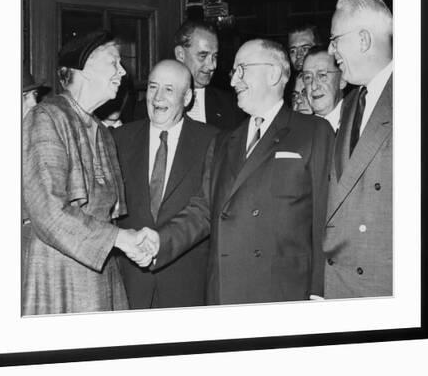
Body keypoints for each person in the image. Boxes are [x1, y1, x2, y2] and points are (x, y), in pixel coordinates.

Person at [142, 39, 335, 305]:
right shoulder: (223, 142)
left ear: (273, 73)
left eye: (242, 70)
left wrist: (319, 290)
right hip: (226, 292)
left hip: (284, 293)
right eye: (234, 73)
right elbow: (202, 211)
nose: (234, 82)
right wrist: (159, 242)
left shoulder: (313, 132)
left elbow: (325, 216)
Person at [21, 30, 153, 315]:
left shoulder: (102, 131)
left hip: (101, 269)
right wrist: (119, 239)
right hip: (57, 272)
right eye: (114, 63)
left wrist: (128, 241)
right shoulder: (45, 118)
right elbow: (48, 211)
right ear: (84, 69)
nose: (122, 72)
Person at [113, 60, 218, 308]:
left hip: (187, 286)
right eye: (152, 87)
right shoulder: (119, 139)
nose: (158, 97)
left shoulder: (213, 140)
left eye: (169, 89)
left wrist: (162, 241)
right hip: (130, 285)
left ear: (188, 96)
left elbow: (207, 211)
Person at [323, 0, 393, 299]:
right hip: (339, 283)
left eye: (335, 39)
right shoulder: (351, 103)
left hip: (383, 286)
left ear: (363, 40)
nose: (330, 49)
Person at [174, 20, 245, 129]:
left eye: (215, 56)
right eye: (203, 56)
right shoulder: (155, 104)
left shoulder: (231, 106)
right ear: (180, 54)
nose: (212, 65)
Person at [302, 46, 346, 132]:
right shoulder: (301, 131)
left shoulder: (359, 120)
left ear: (342, 80)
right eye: (307, 77)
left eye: (322, 75)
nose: (313, 86)